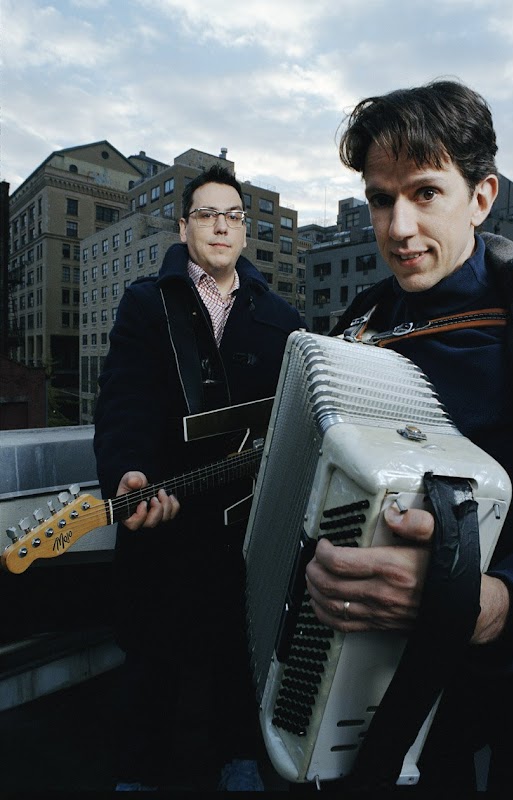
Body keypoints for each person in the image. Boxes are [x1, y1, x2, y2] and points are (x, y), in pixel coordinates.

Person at [304, 79, 513, 793]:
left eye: (425, 193)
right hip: (350, 689)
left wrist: (484, 607)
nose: (398, 228)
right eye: (380, 199)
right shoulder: (358, 329)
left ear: (481, 198)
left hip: (503, 700)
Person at [93, 164, 303, 791]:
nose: (220, 226)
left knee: (240, 647)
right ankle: (141, 772)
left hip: (245, 521)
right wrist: (128, 470)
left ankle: (239, 757)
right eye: (206, 214)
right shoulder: (146, 303)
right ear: (184, 227)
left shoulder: (281, 317)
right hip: (165, 508)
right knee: (151, 657)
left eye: (232, 215)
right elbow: (124, 399)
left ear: (245, 231)